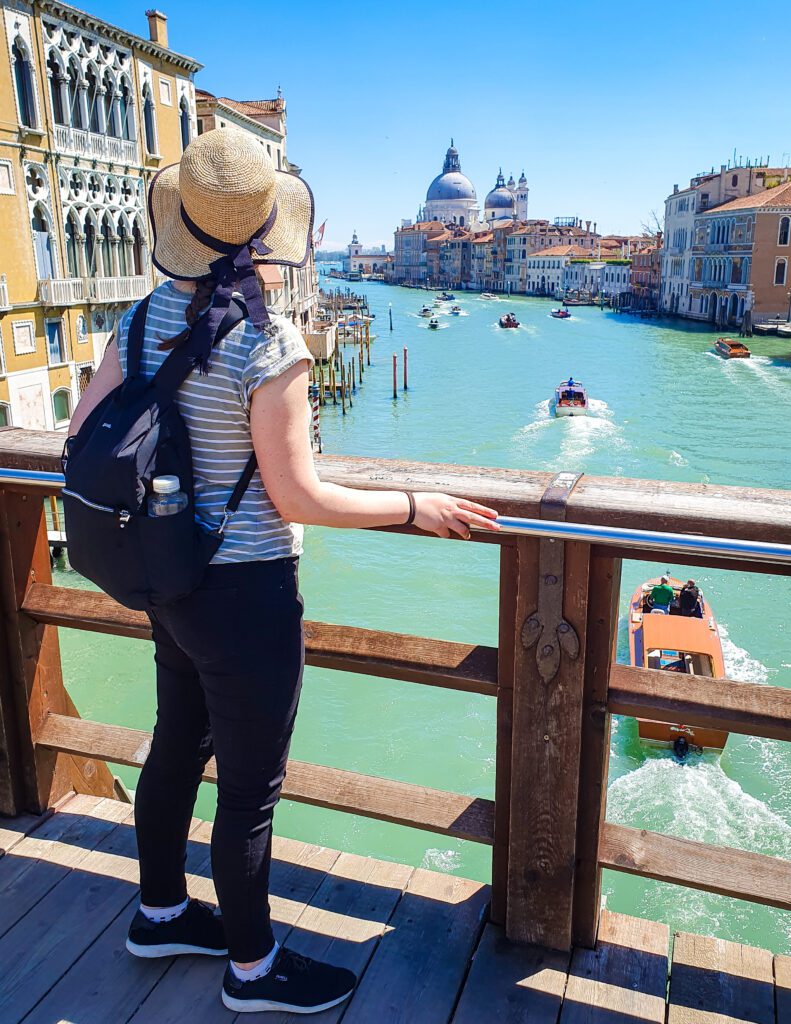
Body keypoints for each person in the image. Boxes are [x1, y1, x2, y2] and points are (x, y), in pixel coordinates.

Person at [68, 128, 500, 1016]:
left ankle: (159, 914)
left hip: (167, 573)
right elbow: (298, 497)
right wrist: (413, 504)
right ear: (266, 233)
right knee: (250, 791)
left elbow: (81, 435)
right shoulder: (268, 344)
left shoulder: (143, 318)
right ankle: (253, 970)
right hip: (246, 591)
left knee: (176, 745)